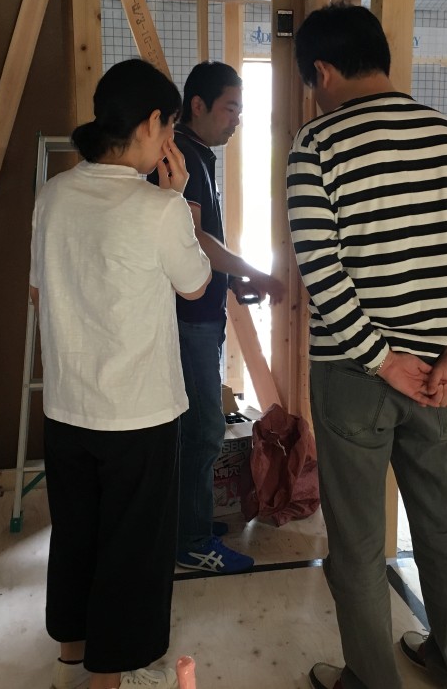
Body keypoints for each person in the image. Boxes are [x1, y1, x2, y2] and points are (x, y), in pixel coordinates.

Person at [286, 4, 447, 689]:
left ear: (323, 71)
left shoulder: (316, 147)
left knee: (356, 542)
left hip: (354, 376)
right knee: (446, 528)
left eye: (311, 83)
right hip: (440, 376)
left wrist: (381, 359)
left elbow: (321, 271)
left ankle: (371, 681)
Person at [30, 58, 211, 689]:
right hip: (139, 412)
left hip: (66, 407)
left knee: (76, 537)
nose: (171, 142)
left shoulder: (53, 195)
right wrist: (180, 204)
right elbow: (195, 284)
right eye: (170, 127)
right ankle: (111, 681)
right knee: (134, 550)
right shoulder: (157, 208)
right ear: (151, 122)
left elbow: (37, 292)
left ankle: (71, 660)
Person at [148, 61, 284, 575]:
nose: (237, 120)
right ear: (198, 105)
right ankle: (191, 540)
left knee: (198, 426)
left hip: (201, 315)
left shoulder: (198, 155)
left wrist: (233, 280)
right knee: (203, 429)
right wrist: (254, 271)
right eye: (230, 108)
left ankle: (192, 520)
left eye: (241, 110)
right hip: (188, 321)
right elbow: (194, 238)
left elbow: (202, 247)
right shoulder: (179, 155)